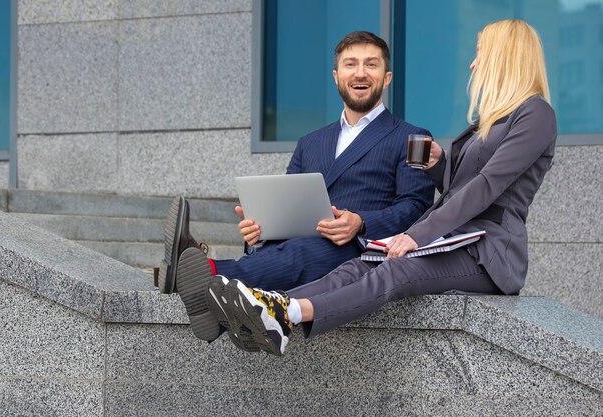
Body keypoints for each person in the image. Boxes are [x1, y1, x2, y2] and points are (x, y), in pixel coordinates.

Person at [199, 19, 558, 356]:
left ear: (503, 56)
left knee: (395, 270)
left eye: (480, 53)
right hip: (455, 239)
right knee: (358, 267)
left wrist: (418, 234)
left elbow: (486, 187)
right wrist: (439, 167)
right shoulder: (492, 119)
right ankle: (266, 308)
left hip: (488, 254)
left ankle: (289, 312)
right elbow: (459, 187)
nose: (473, 65)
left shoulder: (536, 113)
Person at [160, 31, 435, 346]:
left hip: (364, 249)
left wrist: (361, 222)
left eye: (370, 65)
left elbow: (415, 207)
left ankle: (202, 270)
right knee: (287, 248)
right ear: (336, 76)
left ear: (386, 78)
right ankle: (210, 306)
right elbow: (288, 201)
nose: (360, 72)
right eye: (350, 64)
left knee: (304, 251)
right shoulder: (310, 142)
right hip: (299, 244)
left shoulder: (413, 137)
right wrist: (260, 228)